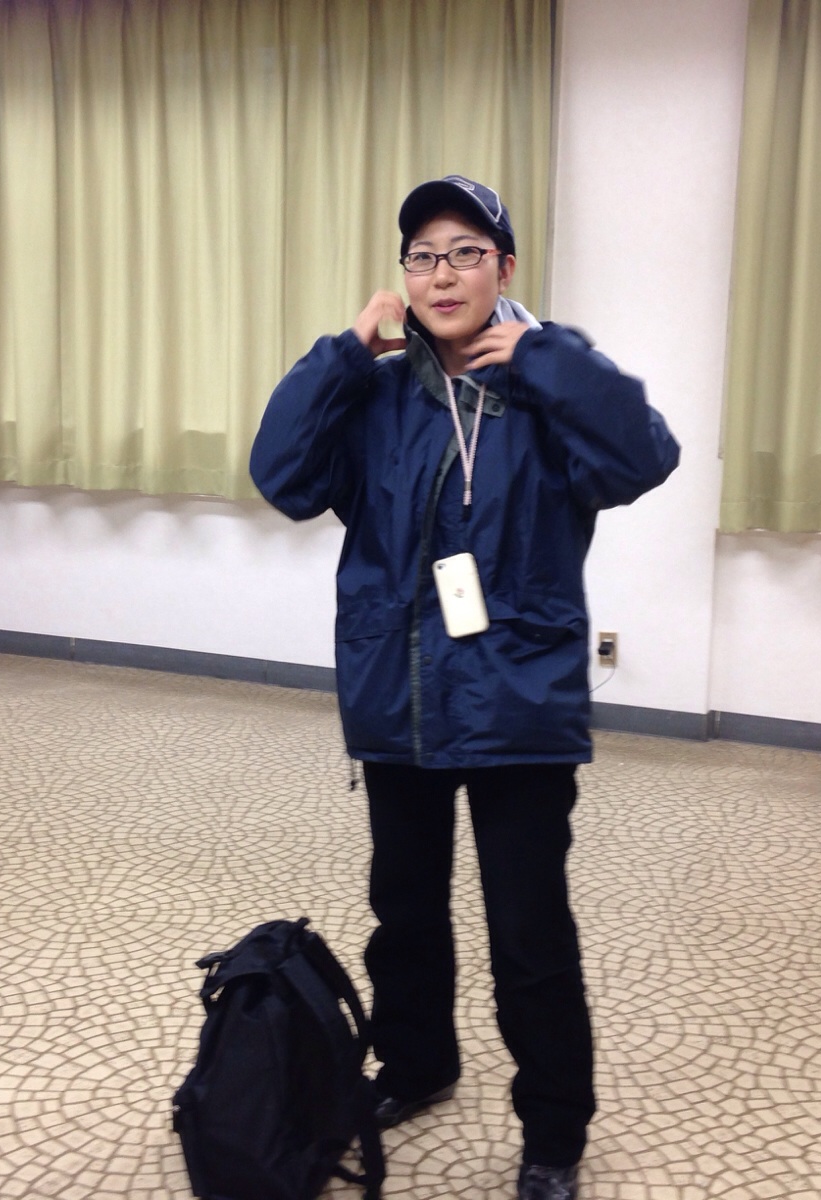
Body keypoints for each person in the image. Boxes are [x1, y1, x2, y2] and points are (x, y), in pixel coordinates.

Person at [249, 175, 679, 1200]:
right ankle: (416, 1063)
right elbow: (283, 479)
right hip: (398, 695)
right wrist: (341, 354)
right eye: (423, 257)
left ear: (505, 267)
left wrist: (548, 358)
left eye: (466, 253)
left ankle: (554, 1133)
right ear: (403, 276)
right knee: (403, 910)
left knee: (529, 929)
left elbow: (646, 455)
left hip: (516, 699)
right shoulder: (377, 393)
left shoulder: (549, 383)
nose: (442, 276)